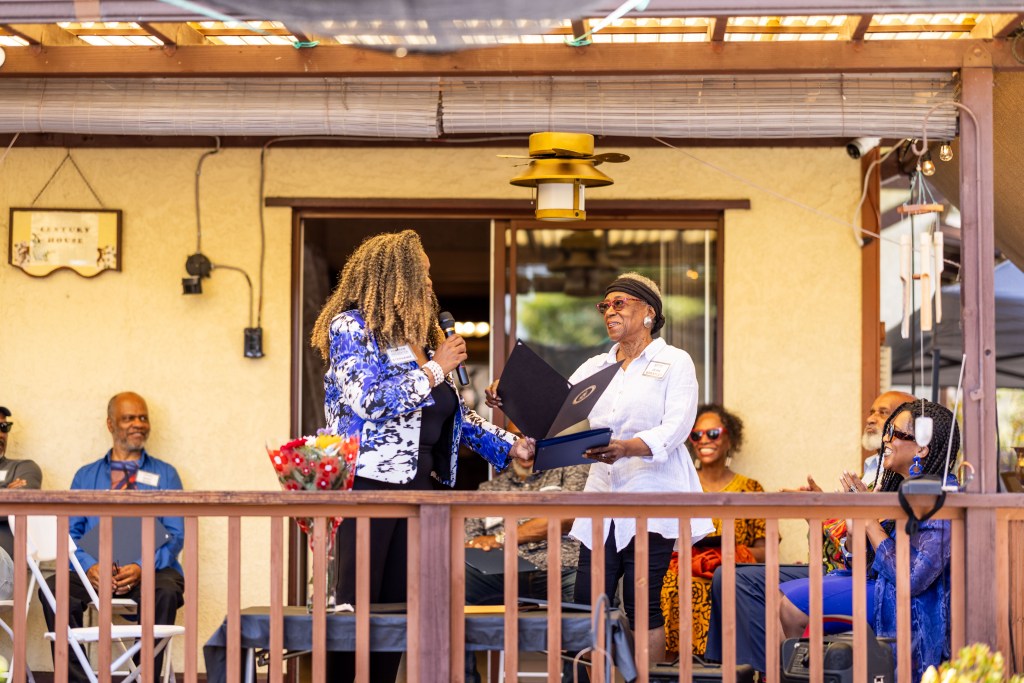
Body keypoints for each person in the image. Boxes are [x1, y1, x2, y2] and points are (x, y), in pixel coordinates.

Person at [310, 229, 536, 683]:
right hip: (366, 488)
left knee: (398, 616)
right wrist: (435, 369)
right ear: (396, 276)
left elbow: (458, 418)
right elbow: (370, 401)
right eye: (423, 273)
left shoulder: (425, 342)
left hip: (421, 492)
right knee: (355, 610)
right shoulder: (352, 328)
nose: (431, 283)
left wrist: (510, 445)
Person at [486, 272, 713, 664]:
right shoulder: (595, 365)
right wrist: (508, 397)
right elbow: (556, 413)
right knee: (587, 604)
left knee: (642, 604)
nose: (609, 312)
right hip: (601, 496)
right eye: (604, 306)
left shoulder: (674, 361)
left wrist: (626, 448)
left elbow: (676, 428)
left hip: (651, 496)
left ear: (648, 312)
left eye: (619, 303)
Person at [703, 389, 916, 672]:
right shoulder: (874, 469)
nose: (871, 418)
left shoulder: (901, 475)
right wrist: (818, 508)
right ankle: (745, 670)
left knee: (745, 581)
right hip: (845, 565)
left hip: (859, 572)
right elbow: (851, 528)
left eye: (883, 413)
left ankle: (767, 671)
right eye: (871, 411)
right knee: (728, 575)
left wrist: (824, 512)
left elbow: (870, 530)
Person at [778, 400, 957, 683]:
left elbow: (914, 578)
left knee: (791, 607)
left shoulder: (943, 499)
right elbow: (861, 563)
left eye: (894, 433)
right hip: (881, 585)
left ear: (922, 448)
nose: (885, 439)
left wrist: (868, 519)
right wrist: (855, 527)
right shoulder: (896, 491)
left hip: (911, 602)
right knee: (779, 597)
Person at [40, 392, 185, 683]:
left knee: (167, 590)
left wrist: (142, 566)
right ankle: (76, 679)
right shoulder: (85, 476)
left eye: (143, 417)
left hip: (151, 571)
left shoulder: (166, 474)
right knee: (54, 589)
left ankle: (143, 677)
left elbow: (175, 534)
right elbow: (70, 533)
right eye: (129, 418)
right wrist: (90, 567)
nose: (138, 424)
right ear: (110, 424)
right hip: (94, 572)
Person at [463, 462, 589, 683]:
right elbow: (469, 543)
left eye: (532, 443)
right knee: (451, 581)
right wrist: (478, 546)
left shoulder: (569, 470)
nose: (526, 448)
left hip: (561, 567)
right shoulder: (489, 490)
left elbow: (569, 517)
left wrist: (500, 538)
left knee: (591, 594)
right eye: (518, 443)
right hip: (501, 572)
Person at [660, 404, 766, 659]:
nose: (704, 440)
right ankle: (672, 667)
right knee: (668, 583)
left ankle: (724, 666)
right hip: (683, 570)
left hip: (733, 572)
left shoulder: (751, 489)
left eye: (713, 433)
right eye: (696, 435)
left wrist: (729, 554)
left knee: (729, 585)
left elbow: (766, 551)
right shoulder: (680, 486)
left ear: (729, 439)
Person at [0, 405, 44, 558]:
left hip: (5, 560)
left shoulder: (24, 468)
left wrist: (9, 497)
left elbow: (20, 503)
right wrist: (6, 491)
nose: (1, 434)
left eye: (4, 427)